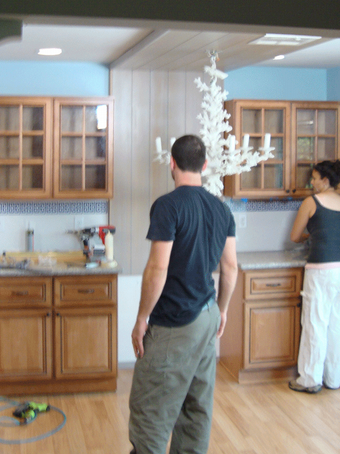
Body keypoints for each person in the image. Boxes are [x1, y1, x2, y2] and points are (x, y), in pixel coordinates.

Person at [128, 134, 238, 454]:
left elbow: (157, 270)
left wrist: (141, 318)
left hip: (175, 322)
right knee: (195, 407)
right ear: (204, 165)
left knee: (151, 409)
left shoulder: (167, 206)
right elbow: (230, 268)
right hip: (207, 314)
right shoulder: (221, 209)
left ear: (172, 164)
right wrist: (223, 309)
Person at [288, 160, 340, 394]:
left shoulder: (311, 202)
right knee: (338, 325)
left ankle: (309, 379)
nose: (312, 182)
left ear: (326, 181)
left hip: (321, 268)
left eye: (315, 178)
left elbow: (295, 236)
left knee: (315, 323)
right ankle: (334, 378)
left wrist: (311, 235)